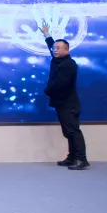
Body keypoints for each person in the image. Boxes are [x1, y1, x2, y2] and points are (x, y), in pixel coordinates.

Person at [40, 23, 89, 170]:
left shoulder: (68, 64)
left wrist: (47, 91)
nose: (55, 50)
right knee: (68, 131)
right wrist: (46, 34)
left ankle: (81, 159)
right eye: (54, 48)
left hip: (69, 103)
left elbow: (60, 83)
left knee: (73, 131)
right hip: (62, 103)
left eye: (58, 48)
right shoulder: (58, 60)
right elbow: (51, 45)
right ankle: (72, 157)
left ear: (67, 50)